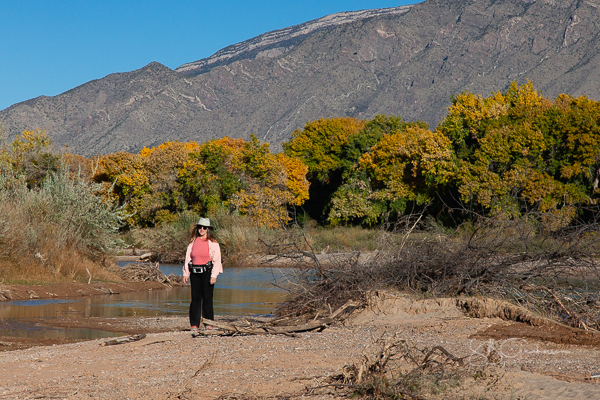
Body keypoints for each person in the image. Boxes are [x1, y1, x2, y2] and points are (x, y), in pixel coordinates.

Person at [182, 217, 223, 336]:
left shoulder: (213, 243)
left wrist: (214, 275)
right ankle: (194, 324)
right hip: (194, 273)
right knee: (195, 299)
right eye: (200, 227)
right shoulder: (193, 242)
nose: (202, 229)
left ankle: (209, 323)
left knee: (207, 298)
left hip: (207, 273)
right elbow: (187, 259)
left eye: (204, 227)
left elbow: (217, 260)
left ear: (208, 229)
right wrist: (186, 274)